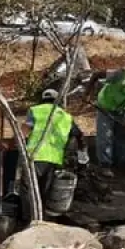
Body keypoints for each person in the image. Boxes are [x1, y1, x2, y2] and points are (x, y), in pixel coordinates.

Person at [23, 88, 86, 216]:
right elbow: (79, 136)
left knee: (29, 189)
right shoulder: (66, 117)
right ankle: (40, 218)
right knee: (44, 190)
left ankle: (28, 218)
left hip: (34, 156)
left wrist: (13, 144)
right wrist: (82, 156)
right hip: (54, 159)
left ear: (42, 100)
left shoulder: (35, 110)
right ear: (58, 101)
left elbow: (26, 130)